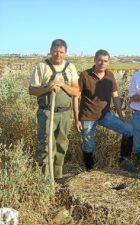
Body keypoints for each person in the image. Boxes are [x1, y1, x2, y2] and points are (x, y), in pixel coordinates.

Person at [73, 49, 133, 171]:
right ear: (95, 60)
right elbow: (75, 97)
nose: (102, 63)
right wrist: (77, 119)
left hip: (105, 115)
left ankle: (124, 161)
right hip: (88, 116)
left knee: (129, 130)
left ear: (108, 62)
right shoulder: (85, 75)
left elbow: (115, 96)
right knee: (88, 146)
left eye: (105, 61)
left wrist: (121, 116)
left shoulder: (110, 76)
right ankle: (89, 171)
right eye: (100, 60)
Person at [29, 39, 80, 179]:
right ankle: (45, 179)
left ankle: (57, 176)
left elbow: (76, 92)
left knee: (61, 144)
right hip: (46, 112)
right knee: (46, 145)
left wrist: (62, 85)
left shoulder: (70, 67)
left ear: (66, 52)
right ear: (51, 50)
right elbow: (32, 90)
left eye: (61, 52)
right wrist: (47, 87)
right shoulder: (41, 66)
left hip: (65, 113)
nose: (58, 54)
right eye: (55, 51)